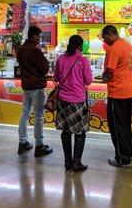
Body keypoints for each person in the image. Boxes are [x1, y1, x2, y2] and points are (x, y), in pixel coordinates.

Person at [54, 35, 92, 172]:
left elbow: (56, 77)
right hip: (78, 100)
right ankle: (77, 162)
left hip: (63, 101)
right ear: (80, 46)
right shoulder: (83, 60)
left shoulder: (60, 58)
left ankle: (67, 162)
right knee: (80, 132)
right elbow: (88, 81)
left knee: (65, 131)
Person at [101, 25, 132, 169]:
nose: (104, 40)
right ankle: (128, 154)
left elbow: (109, 72)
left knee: (117, 128)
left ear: (110, 35)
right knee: (126, 126)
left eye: (104, 37)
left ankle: (123, 160)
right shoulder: (127, 45)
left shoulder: (113, 49)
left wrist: (103, 78)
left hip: (117, 93)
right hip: (129, 91)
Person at [17, 26, 53, 157]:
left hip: (26, 85)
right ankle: (39, 145)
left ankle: (22, 142)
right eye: (39, 36)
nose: (40, 39)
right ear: (33, 36)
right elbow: (44, 68)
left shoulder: (20, 49)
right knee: (39, 116)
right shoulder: (35, 50)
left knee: (24, 113)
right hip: (37, 87)